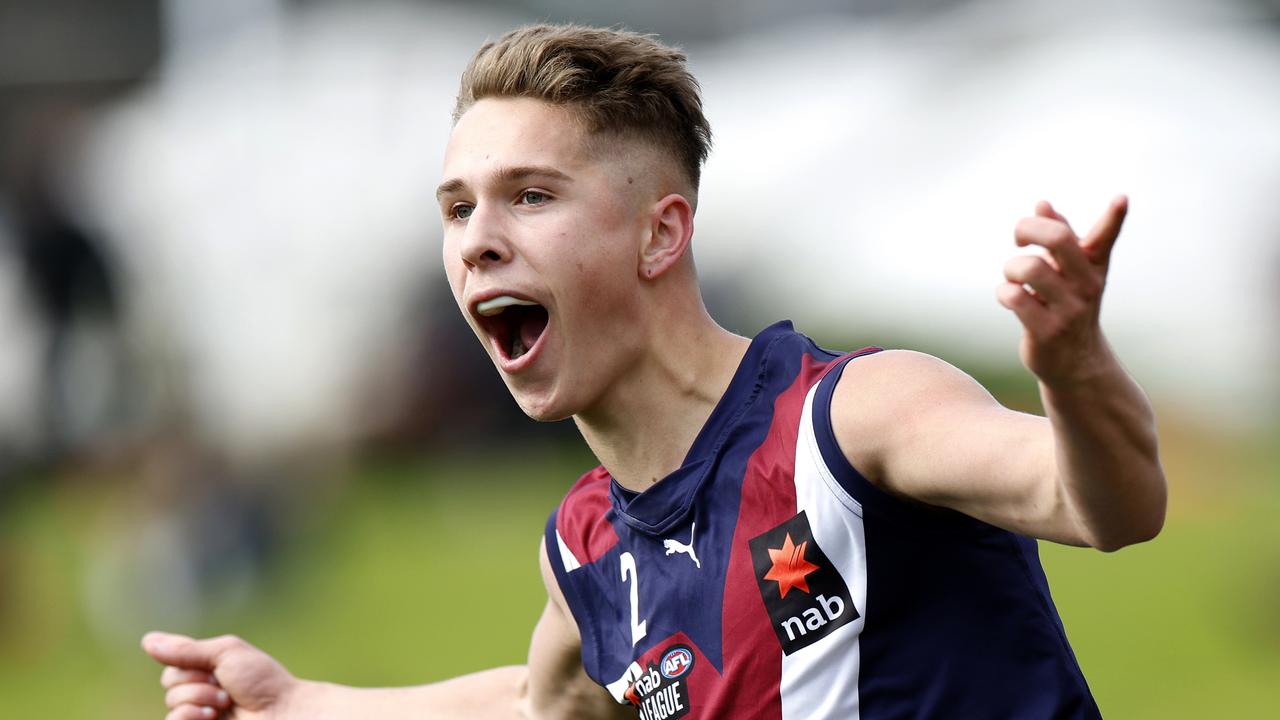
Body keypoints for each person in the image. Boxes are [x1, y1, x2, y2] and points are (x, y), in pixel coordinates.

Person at [142, 24, 1165, 719]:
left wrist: (1071, 371)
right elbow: (544, 702)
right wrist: (309, 703)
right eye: (456, 208)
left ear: (658, 233)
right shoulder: (585, 550)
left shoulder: (853, 419)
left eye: (529, 197)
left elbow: (1106, 506)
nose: (475, 243)